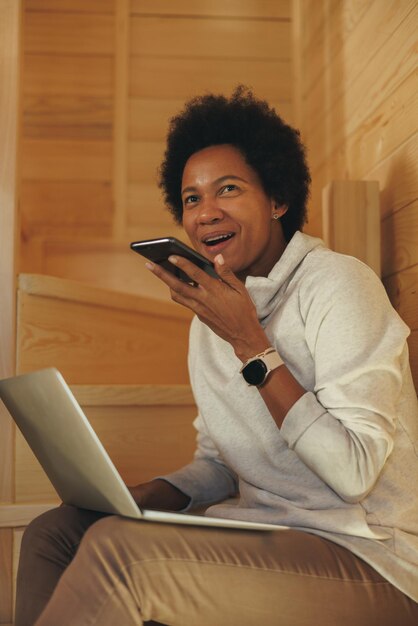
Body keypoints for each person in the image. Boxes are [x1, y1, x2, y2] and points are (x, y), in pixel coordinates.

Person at [16, 87, 418, 626]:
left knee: (122, 555)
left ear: (277, 198)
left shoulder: (339, 285)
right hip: (265, 533)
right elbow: (220, 464)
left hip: (371, 557)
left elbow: (354, 472)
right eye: (191, 199)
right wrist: (143, 497)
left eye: (227, 189)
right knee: (57, 531)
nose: (206, 213)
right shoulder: (210, 315)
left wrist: (252, 345)